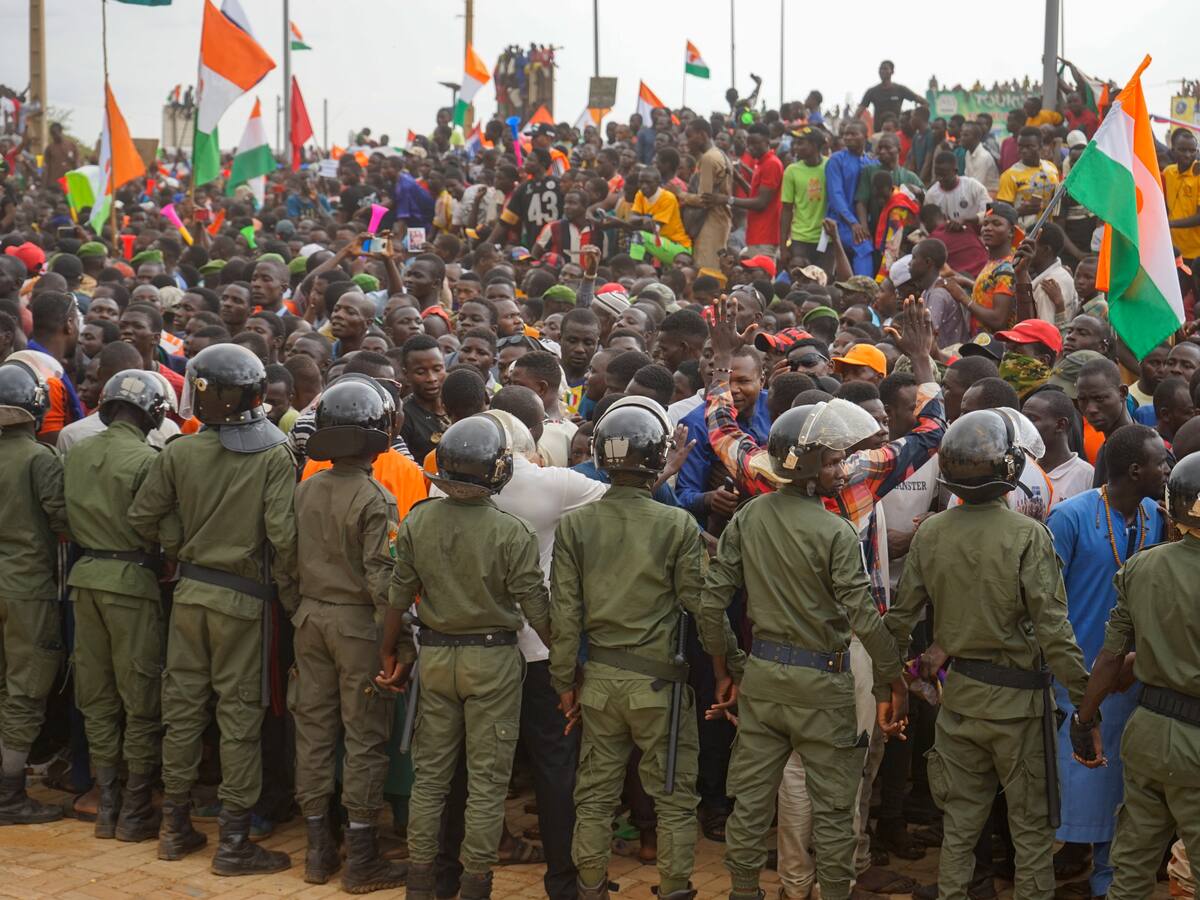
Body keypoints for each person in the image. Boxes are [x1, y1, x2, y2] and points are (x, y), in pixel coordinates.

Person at [701, 397, 908, 900]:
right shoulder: (837, 531)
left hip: (763, 679)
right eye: (834, 461)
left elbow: (711, 605)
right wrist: (891, 680)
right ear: (811, 468)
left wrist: (730, 669)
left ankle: (745, 891)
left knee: (751, 805)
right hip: (824, 685)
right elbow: (864, 616)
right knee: (834, 808)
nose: (843, 469)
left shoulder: (749, 517)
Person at [879, 409, 1091, 900]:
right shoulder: (1028, 535)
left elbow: (899, 620)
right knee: (1031, 832)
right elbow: (1054, 631)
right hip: (1019, 710)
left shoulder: (931, 532)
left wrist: (891, 685)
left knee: (959, 828)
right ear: (1010, 469)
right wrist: (1086, 702)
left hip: (960, 703)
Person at [551, 396, 739, 899]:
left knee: (594, 797)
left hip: (599, 682)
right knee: (674, 798)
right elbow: (704, 608)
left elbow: (565, 615)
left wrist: (564, 681)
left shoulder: (576, 524)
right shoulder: (675, 524)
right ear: (659, 459)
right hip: (660, 686)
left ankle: (590, 887)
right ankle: (675, 887)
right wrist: (727, 669)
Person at [128, 343, 297, 875]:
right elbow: (283, 539)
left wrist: (180, 545)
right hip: (245, 603)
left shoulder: (180, 451)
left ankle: (174, 827)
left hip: (190, 595)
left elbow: (144, 515)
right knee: (239, 719)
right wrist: (292, 599)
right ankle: (234, 843)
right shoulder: (274, 454)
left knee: (182, 714)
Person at [377, 415, 552, 900]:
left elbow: (397, 595)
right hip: (492, 663)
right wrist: (565, 664)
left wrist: (389, 650)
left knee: (430, 780)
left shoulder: (419, 519)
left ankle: (420, 884)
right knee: (487, 783)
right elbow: (537, 609)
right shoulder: (512, 532)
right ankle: (476, 885)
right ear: (498, 470)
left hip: (435, 659)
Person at [291, 378, 408, 893]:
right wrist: (396, 645)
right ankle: (361, 858)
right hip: (358, 627)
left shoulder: (307, 487)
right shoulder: (376, 497)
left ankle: (318, 851)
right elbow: (384, 581)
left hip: (309, 618)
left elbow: (286, 560)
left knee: (314, 733)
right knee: (364, 737)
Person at [1045, 424, 1169, 898]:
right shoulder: (1070, 517)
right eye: (1160, 461)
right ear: (1135, 470)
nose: (1167, 468)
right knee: (1080, 778)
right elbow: (1044, 601)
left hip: (1134, 678)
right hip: (1078, 677)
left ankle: (1106, 881)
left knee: (1124, 785)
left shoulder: (1156, 515)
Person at [1070, 451, 1200, 900]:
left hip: (1147, 733)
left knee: (1130, 871)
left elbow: (1110, 659)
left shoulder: (1142, 566)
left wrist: (1084, 720)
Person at [62, 369, 173, 842]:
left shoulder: (78, 451)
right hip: (132, 584)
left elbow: (61, 516)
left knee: (97, 695)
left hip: (84, 580)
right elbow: (164, 532)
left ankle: (107, 803)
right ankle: (134, 808)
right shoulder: (148, 460)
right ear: (153, 413)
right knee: (140, 696)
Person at [0, 360, 68, 825]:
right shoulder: (39, 458)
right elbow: (62, 520)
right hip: (27, 589)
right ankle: (10, 794)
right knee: (25, 689)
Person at [1021, 387, 1094, 502]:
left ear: (1060, 425)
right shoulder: (1023, 470)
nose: (1024, 425)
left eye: (1032, 419)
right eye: (1023, 418)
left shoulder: (1087, 475)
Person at [681, 119, 733, 272]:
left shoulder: (708, 158)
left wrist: (680, 193)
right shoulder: (721, 155)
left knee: (706, 270)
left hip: (711, 222)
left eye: (690, 136)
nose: (687, 141)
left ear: (702, 135)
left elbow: (704, 200)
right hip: (721, 220)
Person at [826, 121, 876, 276]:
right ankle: (863, 287)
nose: (848, 137)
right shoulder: (836, 160)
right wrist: (853, 223)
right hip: (841, 221)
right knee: (863, 247)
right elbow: (836, 194)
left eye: (853, 134)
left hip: (864, 223)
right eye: (845, 134)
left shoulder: (871, 162)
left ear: (865, 136)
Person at [731, 124, 784, 259]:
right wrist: (739, 179)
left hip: (765, 236)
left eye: (755, 143)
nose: (750, 147)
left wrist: (728, 200)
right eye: (749, 143)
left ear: (767, 142)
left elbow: (761, 203)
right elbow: (755, 195)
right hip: (756, 234)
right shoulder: (761, 163)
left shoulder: (771, 164)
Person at [779, 127, 828, 266]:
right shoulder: (791, 171)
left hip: (826, 237)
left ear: (815, 145)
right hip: (800, 238)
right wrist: (783, 247)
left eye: (800, 143)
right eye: (795, 143)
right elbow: (786, 209)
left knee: (824, 276)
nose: (795, 147)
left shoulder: (830, 166)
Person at [997, 127, 1061, 230]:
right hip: (1023, 232)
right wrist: (1020, 211)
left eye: (1029, 146)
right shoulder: (1009, 175)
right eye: (1020, 146)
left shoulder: (1051, 168)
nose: (1023, 150)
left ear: (1040, 146)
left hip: (1048, 231)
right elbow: (1001, 215)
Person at [399, 335, 450, 461]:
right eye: (421, 372)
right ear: (406, 375)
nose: (431, 378)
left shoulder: (458, 404)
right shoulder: (403, 417)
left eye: (437, 369)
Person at [854, 60, 928, 122]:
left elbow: (924, 103)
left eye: (885, 69)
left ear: (892, 71)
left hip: (897, 131)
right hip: (879, 131)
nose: (882, 71)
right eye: (880, 69)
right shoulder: (871, 91)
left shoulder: (900, 89)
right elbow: (858, 113)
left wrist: (913, 117)